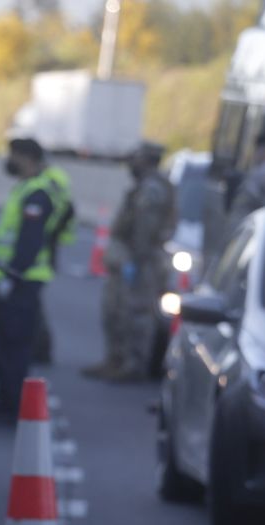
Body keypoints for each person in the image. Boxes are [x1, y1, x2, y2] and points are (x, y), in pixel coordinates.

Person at [0, 138, 65, 425]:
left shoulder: (37, 195)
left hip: (21, 283)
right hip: (13, 280)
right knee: (3, 346)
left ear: (28, 158)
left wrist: (11, 278)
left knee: (13, 349)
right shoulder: (25, 188)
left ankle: (11, 409)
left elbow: (29, 243)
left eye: (13, 155)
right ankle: (5, 405)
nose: (9, 161)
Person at [83, 141, 176, 383]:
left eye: (136, 159)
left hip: (140, 261)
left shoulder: (153, 189)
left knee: (136, 314)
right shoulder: (143, 187)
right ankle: (115, 360)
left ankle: (134, 365)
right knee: (115, 311)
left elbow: (145, 230)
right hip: (129, 259)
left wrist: (136, 261)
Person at [35, 161, 78, 364]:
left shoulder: (49, 181)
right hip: (48, 244)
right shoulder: (53, 178)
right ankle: (39, 347)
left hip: (44, 246)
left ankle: (41, 348)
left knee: (32, 303)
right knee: (33, 303)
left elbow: (60, 211)